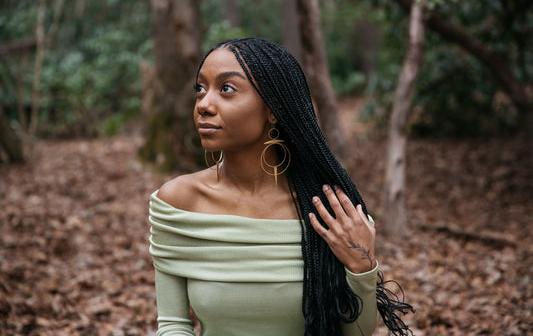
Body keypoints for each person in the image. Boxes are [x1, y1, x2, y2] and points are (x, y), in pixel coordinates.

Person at [149, 38, 413, 336]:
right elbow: (173, 325)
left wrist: (361, 266)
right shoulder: (178, 202)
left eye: (226, 89)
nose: (204, 105)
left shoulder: (330, 210)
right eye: (200, 88)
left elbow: (356, 333)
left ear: (273, 110)